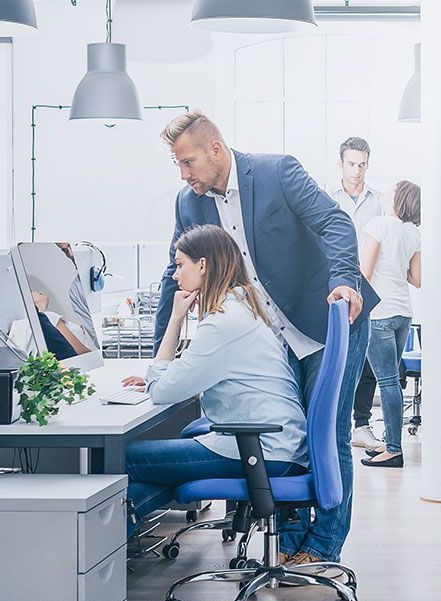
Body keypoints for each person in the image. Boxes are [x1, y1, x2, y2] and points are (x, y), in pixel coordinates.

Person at [156, 111, 376, 567]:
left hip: (327, 321)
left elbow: (336, 224)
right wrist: (163, 353)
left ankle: (322, 546)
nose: (184, 174)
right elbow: (172, 276)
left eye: (188, 162)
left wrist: (345, 281)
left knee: (328, 435)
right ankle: (290, 543)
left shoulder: (276, 172)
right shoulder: (189, 202)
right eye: (177, 165)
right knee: (289, 439)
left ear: (215, 149)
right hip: (272, 340)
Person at [122, 225, 307, 535]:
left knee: (125, 459)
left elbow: (162, 391)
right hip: (278, 446)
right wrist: (164, 376)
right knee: (161, 465)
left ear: (203, 265)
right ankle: (120, 532)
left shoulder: (223, 323)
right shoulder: (244, 308)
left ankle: (108, 542)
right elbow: (188, 375)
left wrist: (176, 318)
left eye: (180, 264)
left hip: (263, 451)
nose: (174, 276)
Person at [334, 137, 391, 454]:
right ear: (340, 163)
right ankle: (335, 423)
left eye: (362, 164)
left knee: (367, 360)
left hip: (370, 288)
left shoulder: (380, 202)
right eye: (351, 163)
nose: (357, 170)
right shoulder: (326, 199)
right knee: (336, 357)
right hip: (336, 288)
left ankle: (362, 424)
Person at [359, 180, 422, 469]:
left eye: (393, 189)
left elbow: (365, 273)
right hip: (403, 314)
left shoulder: (379, 224)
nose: (387, 191)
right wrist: (396, 265)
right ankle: (390, 443)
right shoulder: (412, 232)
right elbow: (416, 279)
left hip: (380, 314)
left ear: (398, 199)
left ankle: (394, 450)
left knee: (387, 383)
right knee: (391, 382)